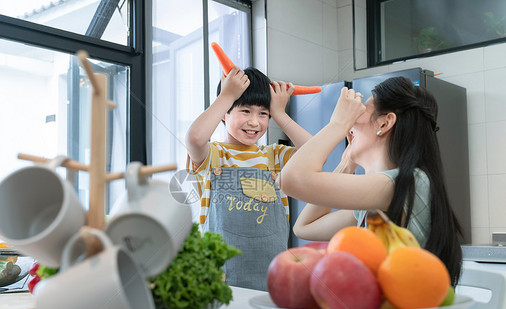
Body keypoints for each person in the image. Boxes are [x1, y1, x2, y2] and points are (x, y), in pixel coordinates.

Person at [279, 77, 463, 286]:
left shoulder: (406, 182)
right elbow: (304, 227)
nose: (349, 127)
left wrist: (338, 123)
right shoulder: (379, 196)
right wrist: (346, 165)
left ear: (384, 123)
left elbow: (290, 179)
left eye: (358, 114)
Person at [186, 66, 312, 291]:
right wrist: (227, 95)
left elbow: (316, 152)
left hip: (272, 279)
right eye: (245, 111)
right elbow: (195, 138)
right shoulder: (215, 155)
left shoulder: (274, 156)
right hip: (219, 281)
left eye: (263, 113)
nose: (255, 122)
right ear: (225, 113)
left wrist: (280, 114)